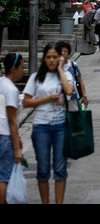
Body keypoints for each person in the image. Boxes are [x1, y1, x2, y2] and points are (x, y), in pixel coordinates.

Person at [23, 44, 74, 204]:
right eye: (48, 57)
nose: (51, 60)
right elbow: (26, 102)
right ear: (44, 59)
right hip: (41, 128)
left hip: (61, 127)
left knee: (60, 168)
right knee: (43, 169)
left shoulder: (65, 75)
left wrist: (60, 70)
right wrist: (46, 99)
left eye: (54, 57)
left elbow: (69, 91)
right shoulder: (36, 77)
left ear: (60, 58)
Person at [0, 53, 24, 204]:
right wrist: (17, 147)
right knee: (4, 178)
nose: (23, 70)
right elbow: (12, 120)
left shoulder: (1, 82)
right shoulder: (11, 90)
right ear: (14, 69)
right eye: (21, 67)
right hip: (5, 136)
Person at [55, 41, 88, 110]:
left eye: (65, 51)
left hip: (73, 98)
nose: (63, 53)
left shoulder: (73, 65)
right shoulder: (54, 66)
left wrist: (84, 96)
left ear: (68, 53)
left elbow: (80, 80)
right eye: (61, 51)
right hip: (58, 98)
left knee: (74, 117)